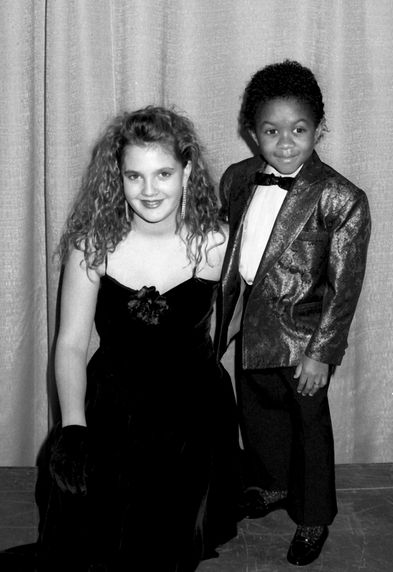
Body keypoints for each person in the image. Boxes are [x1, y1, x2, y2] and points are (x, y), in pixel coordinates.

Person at [30, 106, 238, 571]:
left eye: (163, 173)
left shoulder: (219, 243)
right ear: (117, 179)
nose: (149, 190)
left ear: (187, 171)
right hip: (111, 408)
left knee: (162, 546)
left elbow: (244, 321)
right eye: (134, 176)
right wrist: (74, 428)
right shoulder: (91, 246)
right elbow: (69, 344)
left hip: (190, 416)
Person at [215, 60, 371, 566]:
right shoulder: (238, 178)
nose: (285, 143)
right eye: (271, 131)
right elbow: (228, 258)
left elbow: (344, 288)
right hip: (249, 332)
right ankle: (272, 485)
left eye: (298, 130)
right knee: (256, 416)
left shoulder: (341, 197)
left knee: (308, 429)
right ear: (251, 133)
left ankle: (314, 515)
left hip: (303, 339)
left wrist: (322, 354)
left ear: (319, 129)